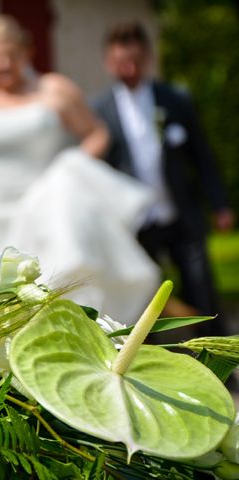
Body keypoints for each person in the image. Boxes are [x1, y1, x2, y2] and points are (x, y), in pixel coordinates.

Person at [0, 15, 161, 325]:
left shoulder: (54, 89)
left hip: (42, 209)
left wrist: (71, 166)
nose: (3, 65)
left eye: (10, 56)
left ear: (26, 53)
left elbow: (96, 133)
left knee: (50, 292)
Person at [92, 20, 235, 334]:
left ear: (146, 58)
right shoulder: (99, 109)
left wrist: (220, 204)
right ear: (108, 62)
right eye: (119, 62)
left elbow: (202, 155)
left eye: (133, 61)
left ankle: (221, 358)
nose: (127, 69)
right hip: (136, 222)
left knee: (201, 287)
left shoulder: (174, 100)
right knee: (145, 299)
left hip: (181, 212)